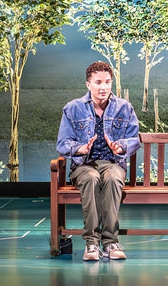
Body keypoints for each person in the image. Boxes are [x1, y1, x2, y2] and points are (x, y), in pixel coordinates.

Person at [56, 61, 140, 261]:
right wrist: (81, 148)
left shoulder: (124, 107)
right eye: (98, 82)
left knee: (112, 177)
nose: (103, 87)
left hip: (112, 163)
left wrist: (121, 146)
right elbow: (62, 143)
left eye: (108, 82)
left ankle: (110, 241)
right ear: (88, 84)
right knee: (92, 178)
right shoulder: (72, 108)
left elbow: (134, 139)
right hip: (84, 165)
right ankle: (92, 243)